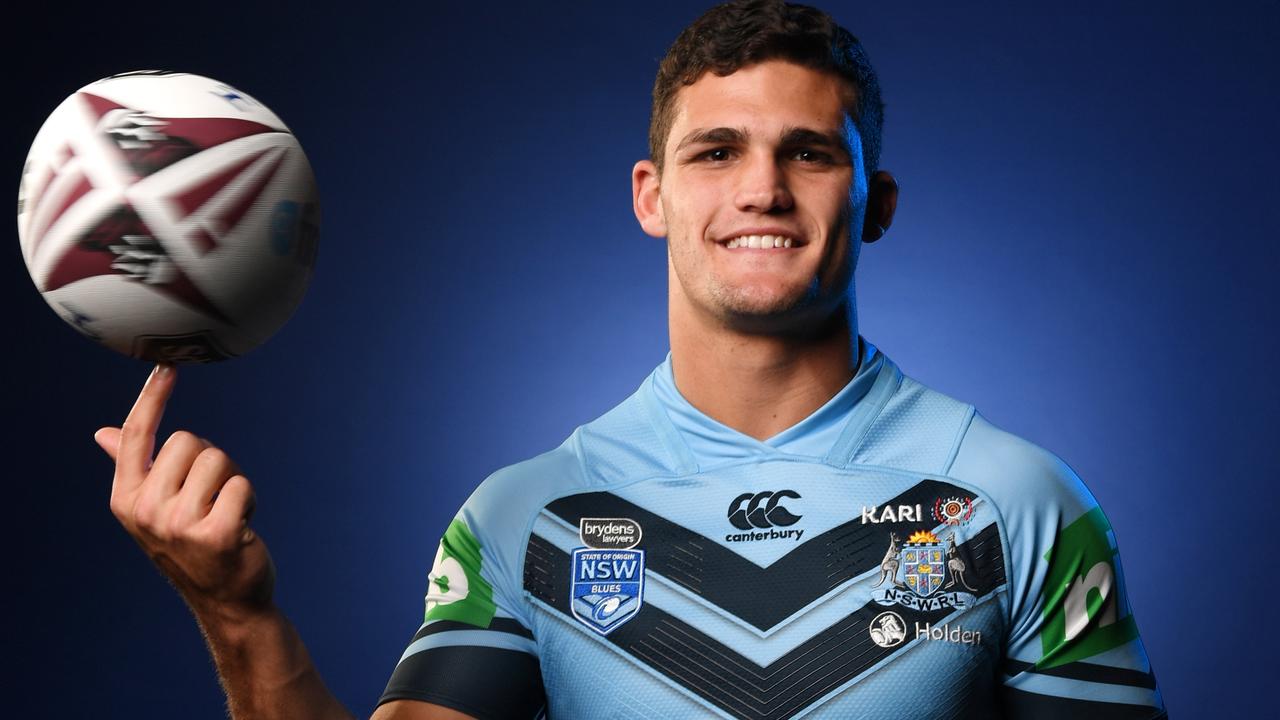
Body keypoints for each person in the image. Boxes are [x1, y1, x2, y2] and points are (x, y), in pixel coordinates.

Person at [95, 1, 1167, 718]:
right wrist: (237, 614)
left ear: (874, 203)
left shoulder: (1012, 501)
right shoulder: (525, 518)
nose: (760, 190)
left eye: (805, 153)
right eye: (714, 152)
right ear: (650, 196)